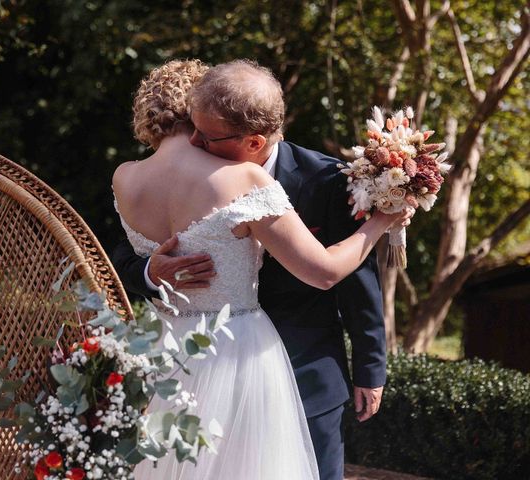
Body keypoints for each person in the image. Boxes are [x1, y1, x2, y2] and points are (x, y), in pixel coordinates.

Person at [112, 60, 410, 480]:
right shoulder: (235, 179)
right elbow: (124, 255)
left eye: (209, 135)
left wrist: (370, 368)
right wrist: (149, 272)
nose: (196, 141)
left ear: (254, 141)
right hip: (199, 369)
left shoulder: (326, 178)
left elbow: (359, 283)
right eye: (194, 127)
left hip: (304, 373)